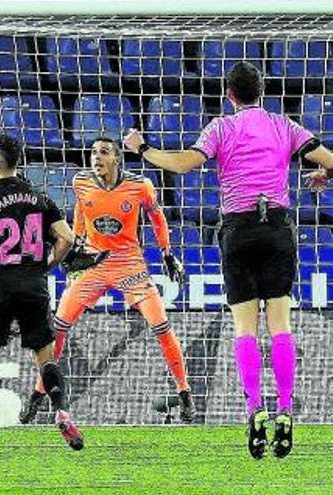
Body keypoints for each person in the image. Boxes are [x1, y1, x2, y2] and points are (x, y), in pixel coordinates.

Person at [124, 61, 333, 459]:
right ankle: (285, 411)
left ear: (229, 94)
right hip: (276, 227)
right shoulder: (285, 125)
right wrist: (324, 178)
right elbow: (332, 161)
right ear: (262, 90)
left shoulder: (221, 127)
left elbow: (184, 164)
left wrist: (143, 148)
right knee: (280, 323)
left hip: (237, 230)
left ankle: (255, 409)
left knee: (244, 328)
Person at [20, 138, 194, 426]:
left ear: (117, 159)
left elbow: (157, 216)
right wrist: (76, 248)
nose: (96, 158)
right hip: (93, 265)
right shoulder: (81, 182)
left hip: (130, 265)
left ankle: (185, 393)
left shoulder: (140, 186)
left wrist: (167, 254)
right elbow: (79, 215)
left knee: (161, 326)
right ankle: (38, 396)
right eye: (93, 153)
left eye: (103, 153)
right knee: (58, 328)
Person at [0, 136, 86, 453]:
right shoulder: (39, 196)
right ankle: (61, 412)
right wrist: (47, 264)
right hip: (34, 285)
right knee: (45, 359)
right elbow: (67, 239)